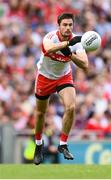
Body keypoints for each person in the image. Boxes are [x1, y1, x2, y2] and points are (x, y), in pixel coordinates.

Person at [33, 13, 89, 165]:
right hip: (45, 77)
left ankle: (63, 144)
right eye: (64, 25)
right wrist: (66, 45)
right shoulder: (50, 37)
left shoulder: (76, 41)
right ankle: (38, 145)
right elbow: (48, 49)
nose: (68, 28)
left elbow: (85, 64)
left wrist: (70, 55)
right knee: (40, 113)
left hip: (63, 77)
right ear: (58, 26)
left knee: (71, 107)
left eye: (70, 25)